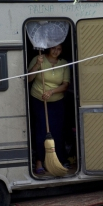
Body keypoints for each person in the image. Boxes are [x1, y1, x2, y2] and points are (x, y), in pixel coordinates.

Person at [28, 44, 70, 175]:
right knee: (41, 131)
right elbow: (28, 78)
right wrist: (36, 65)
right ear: (48, 48)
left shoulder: (64, 63)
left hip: (57, 101)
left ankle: (58, 160)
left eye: (59, 49)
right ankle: (40, 161)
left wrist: (51, 92)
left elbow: (65, 85)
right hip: (39, 100)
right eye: (53, 48)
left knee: (57, 131)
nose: (56, 51)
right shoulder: (38, 58)